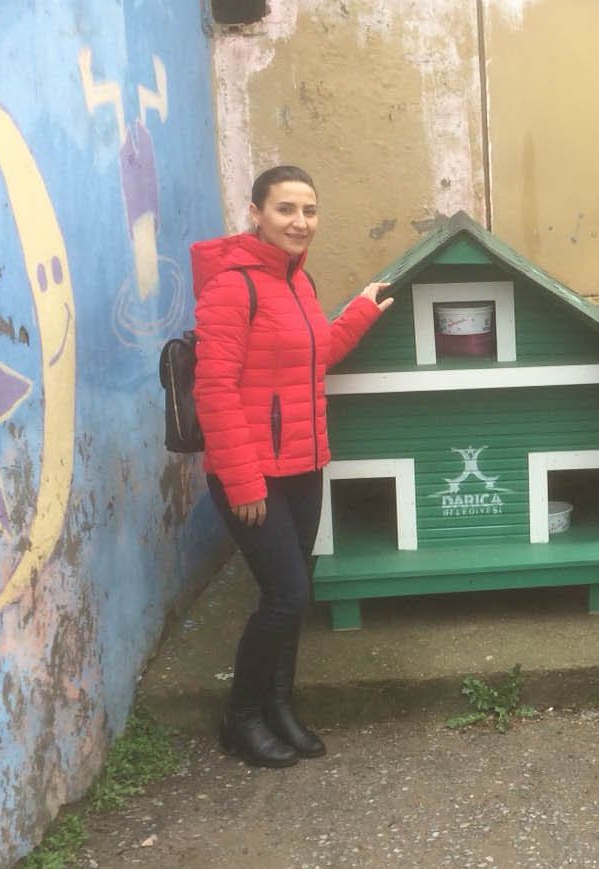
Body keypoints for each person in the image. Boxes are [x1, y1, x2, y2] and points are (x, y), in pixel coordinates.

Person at [192, 165, 392, 767]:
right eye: (285, 209)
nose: (299, 222)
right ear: (255, 213)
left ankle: (279, 707)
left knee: (292, 594)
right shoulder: (232, 287)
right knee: (285, 594)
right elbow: (215, 390)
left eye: (308, 210)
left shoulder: (297, 284)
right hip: (252, 474)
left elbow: (314, 355)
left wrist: (358, 312)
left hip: (304, 465)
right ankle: (242, 717)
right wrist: (242, 478)